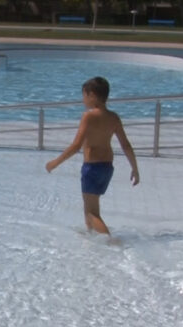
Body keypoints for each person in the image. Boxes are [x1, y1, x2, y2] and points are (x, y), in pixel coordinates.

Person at [45, 77, 139, 235]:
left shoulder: (88, 116)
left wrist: (55, 163)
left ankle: (110, 243)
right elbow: (126, 145)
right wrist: (135, 169)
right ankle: (93, 241)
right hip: (107, 168)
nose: (83, 100)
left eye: (84, 95)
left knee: (91, 213)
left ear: (92, 95)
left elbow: (76, 146)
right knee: (91, 208)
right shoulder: (113, 117)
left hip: (92, 168)